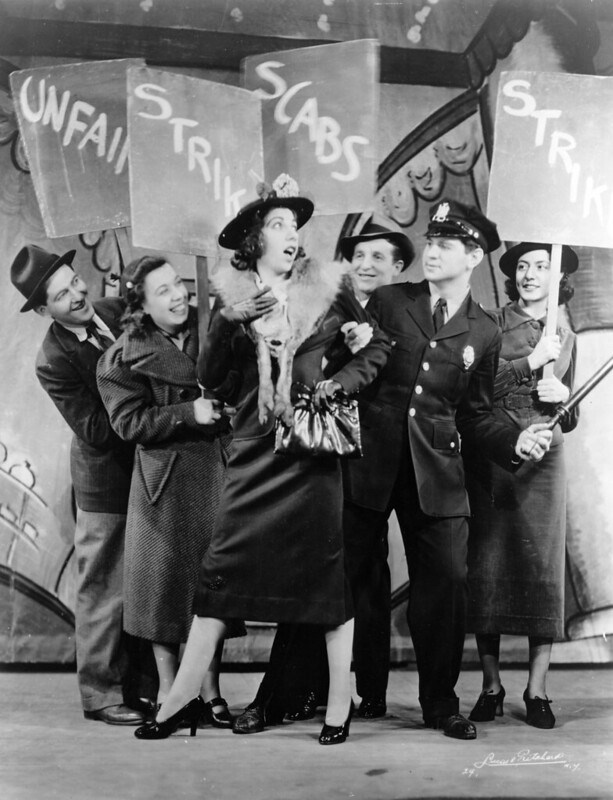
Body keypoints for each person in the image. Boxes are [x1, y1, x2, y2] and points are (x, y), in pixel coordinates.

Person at [133, 177, 390, 744]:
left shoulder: (327, 285)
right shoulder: (229, 296)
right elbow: (209, 379)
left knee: (325, 583)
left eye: (294, 226)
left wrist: (338, 383)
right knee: (220, 576)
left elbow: (377, 346)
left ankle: (338, 707)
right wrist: (226, 322)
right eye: (277, 226)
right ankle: (178, 702)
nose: (291, 235)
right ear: (253, 240)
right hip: (252, 452)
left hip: (310, 459)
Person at [342, 198, 554, 740]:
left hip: (437, 470)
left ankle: (440, 703)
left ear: (474, 255)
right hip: (369, 463)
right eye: (429, 243)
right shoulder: (391, 300)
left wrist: (516, 440)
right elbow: (353, 369)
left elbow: (477, 413)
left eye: (444, 245)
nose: (431, 252)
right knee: (353, 578)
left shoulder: (483, 330)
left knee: (447, 582)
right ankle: (356, 693)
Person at [230, 218, 416, 733]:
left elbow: (380, 355)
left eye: (379, 257)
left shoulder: (404, 308)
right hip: (320, 454)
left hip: (375, 461)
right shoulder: (328, 296)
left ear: (399, 268)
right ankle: (286, 692)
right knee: (316, 575)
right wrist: (331, 378)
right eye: (359, 255)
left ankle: (366, 689)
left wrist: (342, 381)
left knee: (366, 579)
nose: (365, 264)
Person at [96, 256, 239, 725]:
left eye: (178, 283)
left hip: (217, 474)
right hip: (165, 483)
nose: (178, 294)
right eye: (163, 291)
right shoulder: (121, 357)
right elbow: (128, 423)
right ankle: (169, 689)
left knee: (211, 592)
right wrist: (185, 414)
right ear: (140, 305)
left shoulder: (211, 332)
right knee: (162, 591)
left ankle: (211, 689)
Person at [9, 245, 147, 725]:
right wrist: (148, 409)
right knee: (105, 589)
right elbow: (96, 430)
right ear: (44, 310)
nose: (78, 293)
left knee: (145, 583)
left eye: (75, 281)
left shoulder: (113, 311)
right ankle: (102, 695)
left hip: (149, 472)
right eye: (63, 294)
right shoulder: (53, 359)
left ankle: (142, 688)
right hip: (106, 481)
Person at [465, 242, 578, 730]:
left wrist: (564, 397)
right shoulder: (490, 322)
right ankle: (491, 685)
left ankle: (538, 688)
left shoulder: (567, 331)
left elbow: (570, 419)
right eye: (523, 267)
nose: (531, 274)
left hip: (545, 463)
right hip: (495, 456)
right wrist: (535, 362)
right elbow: (475, 394)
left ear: (557, 279)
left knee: (540, 567)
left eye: (541, 267)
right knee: (487, 565)